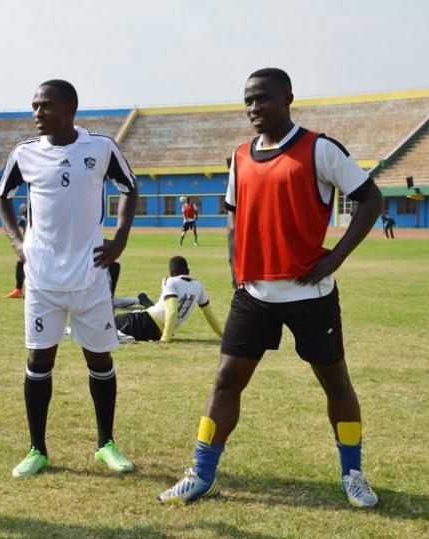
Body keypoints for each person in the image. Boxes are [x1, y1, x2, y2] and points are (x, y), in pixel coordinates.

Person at [158, 68, 383, 508]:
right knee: (225, 382)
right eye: (248, 101)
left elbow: (371, 199)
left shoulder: (319, 148)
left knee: (335, 383)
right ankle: (201, 474)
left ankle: (353, 474)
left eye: (263, 99)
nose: (254, 108)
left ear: (288, 98)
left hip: (309, 295)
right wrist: (235, 268)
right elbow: (232, 215)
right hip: (254, 294)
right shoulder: (240, 156)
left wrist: (334, 259)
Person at [0, 79, 139, 478]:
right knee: (40, 359)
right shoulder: (24, 154)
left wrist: (121, 240)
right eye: (35, 106)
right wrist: (16, 241)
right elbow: (1, 196)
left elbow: (130, 187)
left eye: (46, 106)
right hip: (42, 278)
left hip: (91, 276)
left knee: (99, 358)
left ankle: (106, 444)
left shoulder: (101, 147)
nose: (37, 113)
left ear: (71, 108)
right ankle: (36, 449)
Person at [114, 256, 222, 342]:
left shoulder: (169, 281)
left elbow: (172, 310)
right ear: (188, 271)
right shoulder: (199, 285)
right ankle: (123, 336)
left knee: (109, 323)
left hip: (147, 320)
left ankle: (123, 338)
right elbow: (209, 314)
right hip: (158, 332)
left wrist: (165, 339)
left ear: (171, 273)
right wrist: (222, 335)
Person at [4, 202, 28, 298]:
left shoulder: (35, 216)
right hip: (28, 244)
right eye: (21, 208)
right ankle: (19, 290)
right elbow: (20, 231)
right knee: (21, 263)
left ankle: (22, 290)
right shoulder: (22, 220)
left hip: (38, 245)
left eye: (24, 207)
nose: (23, 209)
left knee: (26, 264)